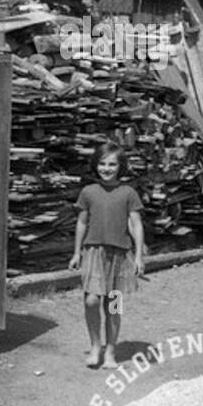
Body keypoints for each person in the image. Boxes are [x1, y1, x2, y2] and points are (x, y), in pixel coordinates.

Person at [68, 142, 145, 369]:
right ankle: (95, 345)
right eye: (102, 163)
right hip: (93, 252)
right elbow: (82, 223)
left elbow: (136, 224)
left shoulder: (128, 193)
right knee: (91, 300)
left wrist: (139, 256)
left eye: (112, 164)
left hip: (120, 255)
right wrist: (76, 252)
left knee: (114, 304)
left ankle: (110, 350)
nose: (107, 168)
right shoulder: (88, 192)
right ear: (96, 165)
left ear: (120, 167)